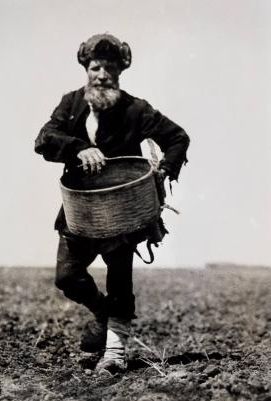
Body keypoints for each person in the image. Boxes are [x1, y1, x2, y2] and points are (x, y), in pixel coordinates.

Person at [34, 33, 190, 374]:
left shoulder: (136, 110)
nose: (102, 74)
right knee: (67, 276)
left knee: (119, 281)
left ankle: (115, 355)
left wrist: (161, 173)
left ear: (120, 70)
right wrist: (77, 147)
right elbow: (44, 140)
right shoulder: (71, 104)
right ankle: (101, 314)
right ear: (86, 70)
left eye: (109, 67)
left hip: (122, 211)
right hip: (79, 211)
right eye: (95, 67)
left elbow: (178, 137)